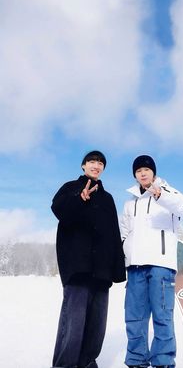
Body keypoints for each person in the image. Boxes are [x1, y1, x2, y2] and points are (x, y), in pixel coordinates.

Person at [51, 150, 126, 368]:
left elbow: (114, 233)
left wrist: (117, 269)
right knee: (73, 324)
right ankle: (65, 364)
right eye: (92, 161)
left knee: (96, 326)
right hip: (78, 268)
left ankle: (87, 363)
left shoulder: (108, 198)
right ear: (83, 166)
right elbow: (58, 210)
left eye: (101, 163)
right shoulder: (70, 188)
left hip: (102, 271)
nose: (96, 165)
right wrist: (79, 199)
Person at [120, 155, 183, 368]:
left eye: (146, 169)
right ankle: (136, 361)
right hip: (135, 268)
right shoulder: (130, 202)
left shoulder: (168, 192)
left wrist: (161, 194)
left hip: (161, 265)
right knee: (134, 318)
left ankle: (163, 362)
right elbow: (124, 232)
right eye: (138, 171)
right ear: (135, 175)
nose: (142, 173)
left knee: (162, 317)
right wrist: (127, 250)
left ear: (153, 172)